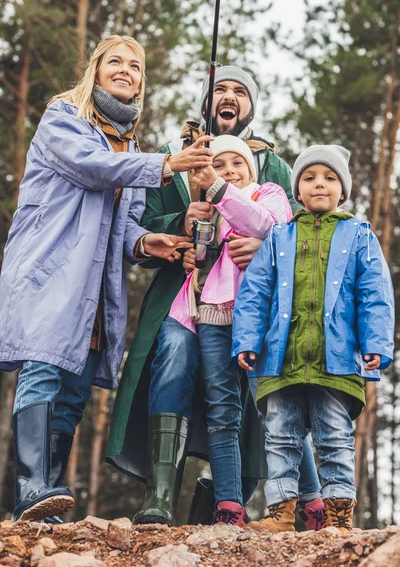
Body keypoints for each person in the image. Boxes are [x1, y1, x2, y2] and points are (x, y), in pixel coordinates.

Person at [0, 34, 213, 522]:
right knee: (42, 372)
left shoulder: (129, 143)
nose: (125, 70)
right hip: (49, 271)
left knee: (73, 391)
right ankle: (30, 486)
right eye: (114, 62)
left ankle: (46, 501)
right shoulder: (64, 119)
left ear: (141, 81)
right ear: (94, 71)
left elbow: (126, 221)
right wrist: (168, 164)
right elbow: (93, 167)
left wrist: (146, 243)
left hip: (95, 288)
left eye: (134, 66)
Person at [107, 65, 324, 531]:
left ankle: (241, 499)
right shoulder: (172, 156)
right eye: (220, 89)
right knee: (175, 359)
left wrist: (264, 249)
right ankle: (161, 495)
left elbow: (293, 232)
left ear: (251, 106)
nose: (229, 96)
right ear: (206, 101)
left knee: (261, 394)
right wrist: (180, 230)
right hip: (183, 300)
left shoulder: (274, 170)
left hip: (251, 304)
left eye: (240, 91)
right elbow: (142, 226)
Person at [232, 144, 395, 532]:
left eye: (329, 178)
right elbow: (255, 293)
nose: (319, 184)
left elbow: (376, 294)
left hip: (336, 360)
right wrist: (248, 340)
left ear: (343, 190)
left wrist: (376, 343)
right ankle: (281, 513)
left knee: (335, 438)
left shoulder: (359, 236)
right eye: (309, 178)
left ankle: (339, 513)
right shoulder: (279, 237)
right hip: (281, 360)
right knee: (281, 438)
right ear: (298, 192)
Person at [132, 135, 291, 526]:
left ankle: (307, 501)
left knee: (275, 403)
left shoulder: (267, 191)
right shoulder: (207, 209)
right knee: (223, 407)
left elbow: (271, 224)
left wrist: (226, 197)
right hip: (208, 313)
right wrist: (188, 237)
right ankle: (227, 504)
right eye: (219, 165)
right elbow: (196, 250)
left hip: (258, 317)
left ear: (252, 167)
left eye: (238, 163)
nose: (230, 171)